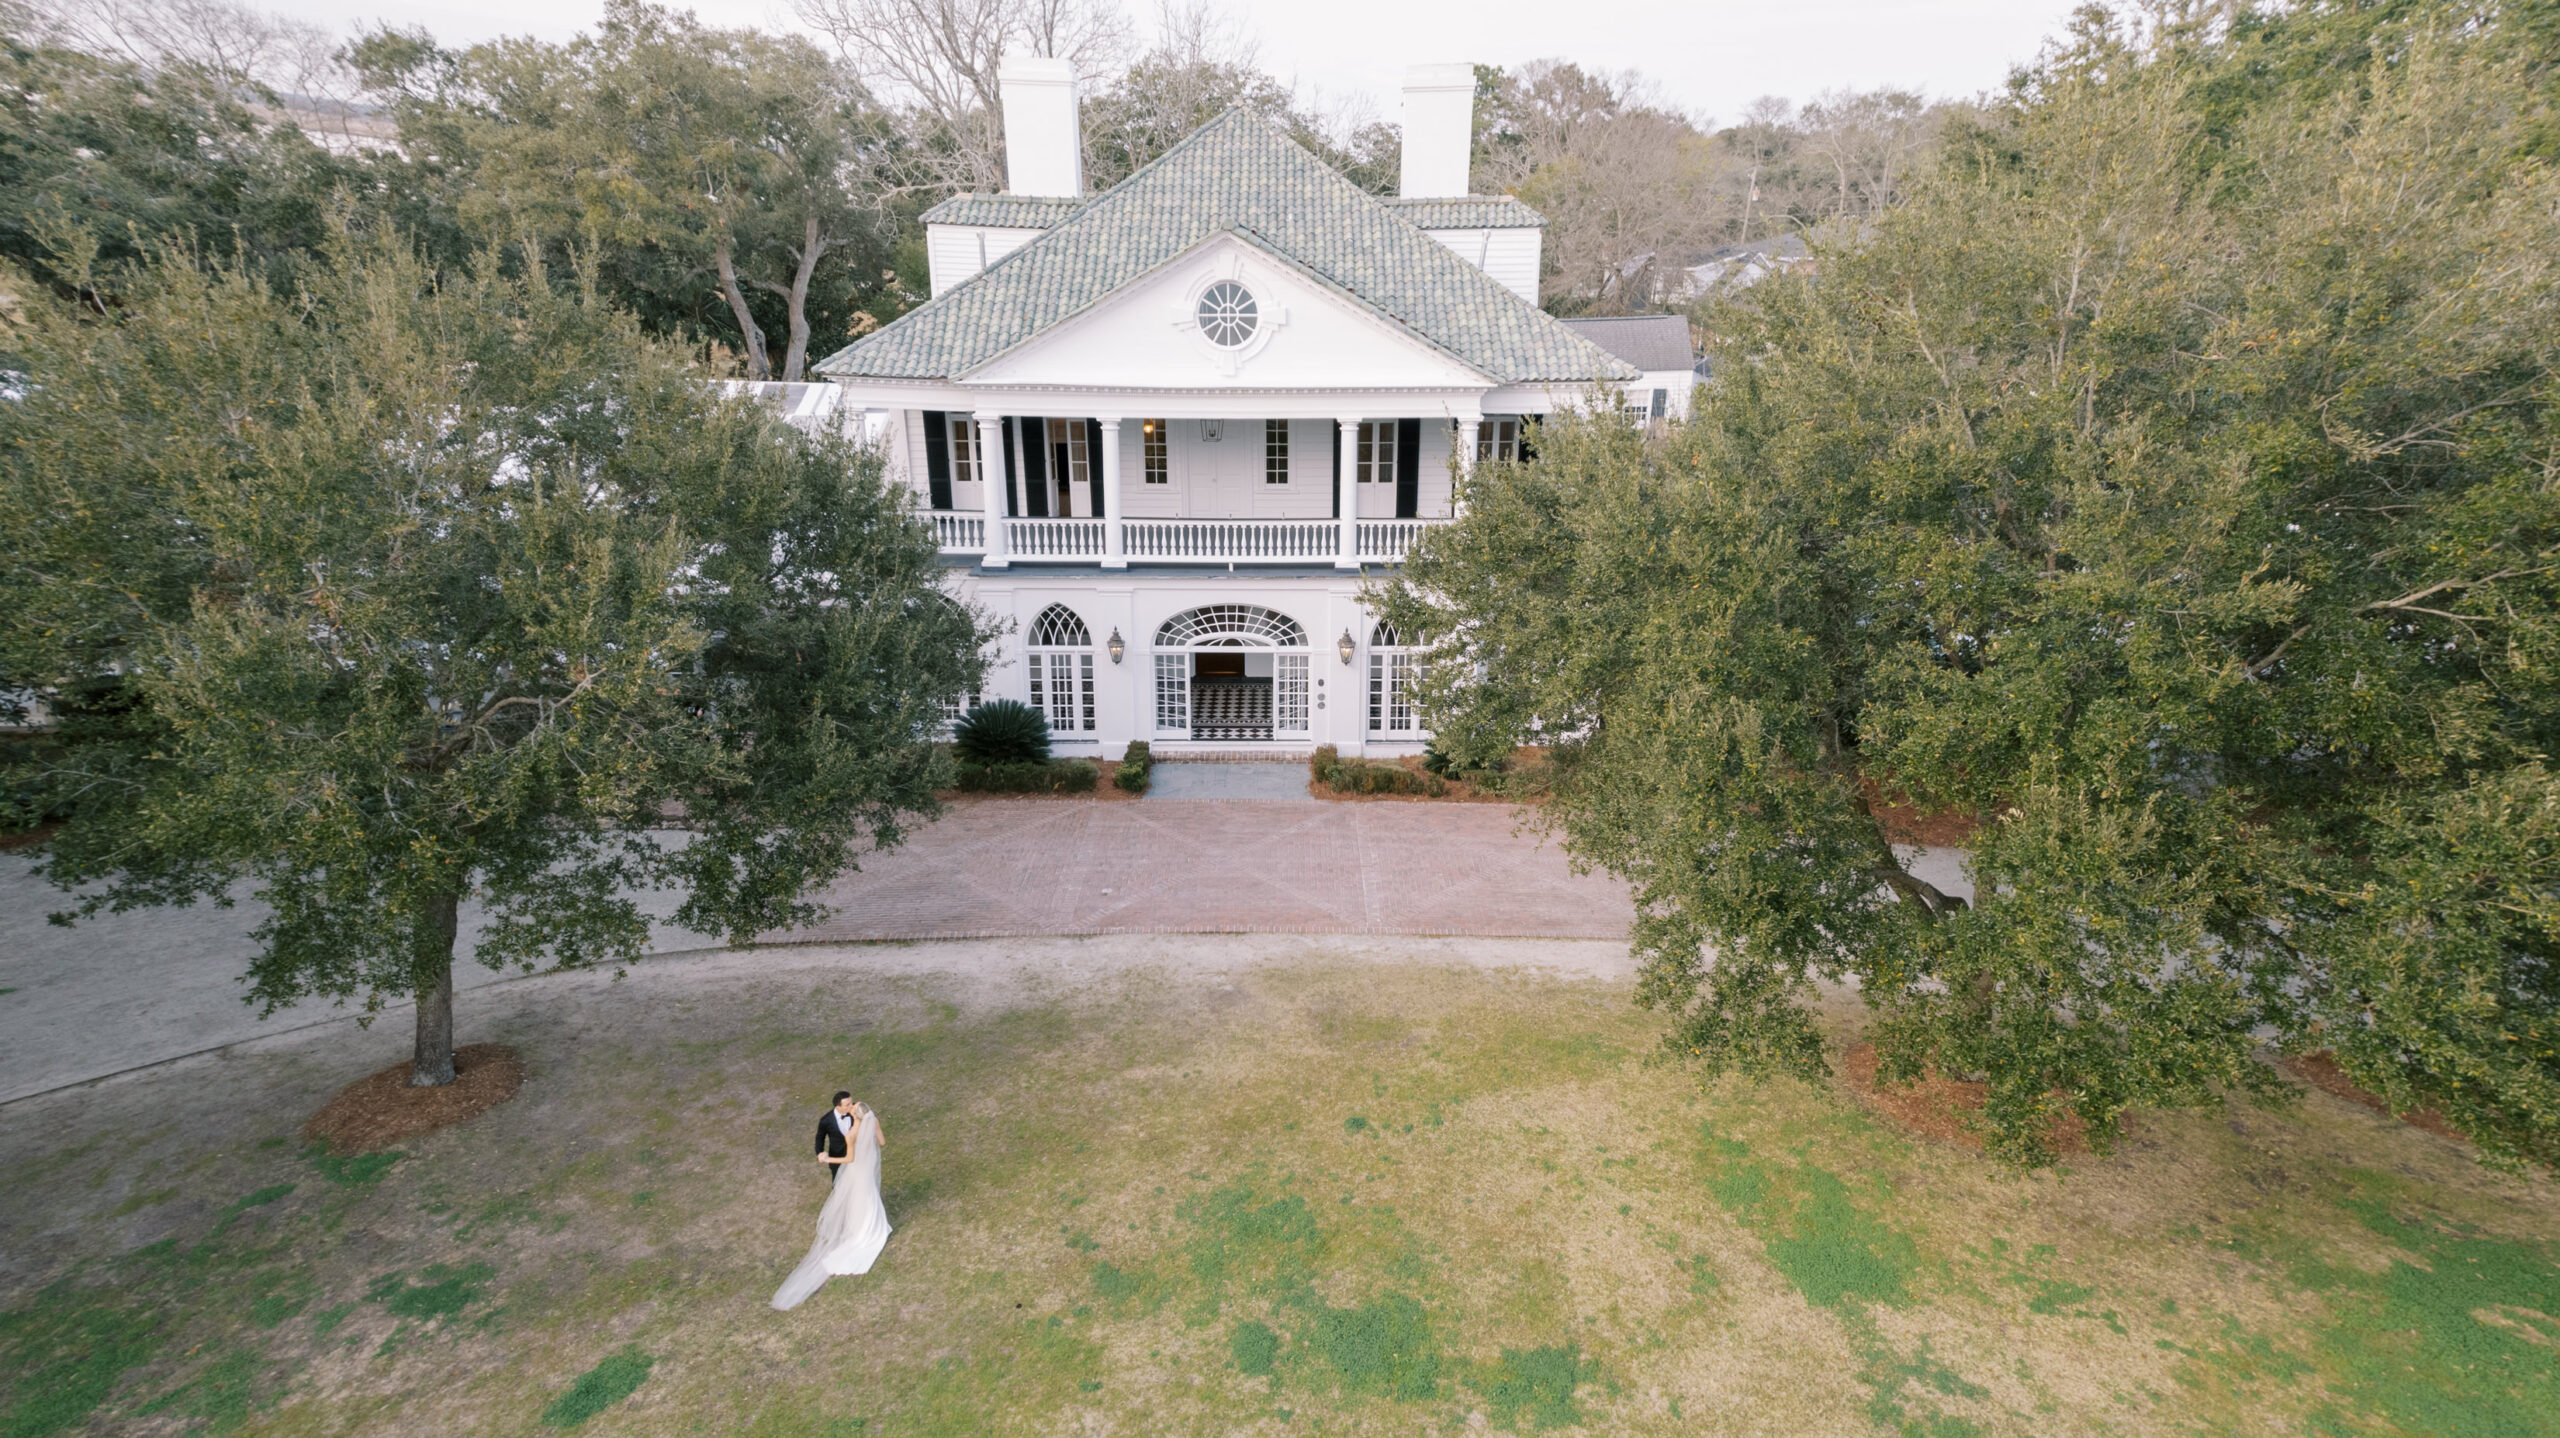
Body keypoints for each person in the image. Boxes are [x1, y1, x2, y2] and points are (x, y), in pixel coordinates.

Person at [772, 1096, 892, 1310]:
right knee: (868, 1196)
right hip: (868, 1168)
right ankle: (874, 1227)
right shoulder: (873, 1122)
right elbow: (882, 1142)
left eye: (853, 1106)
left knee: (858, 1199)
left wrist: (827, 1159)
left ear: (854, 1115)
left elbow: (849, 1159)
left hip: (857, 1172)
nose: (851, 1106)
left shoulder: (851, 1134)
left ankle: (863, 1231)